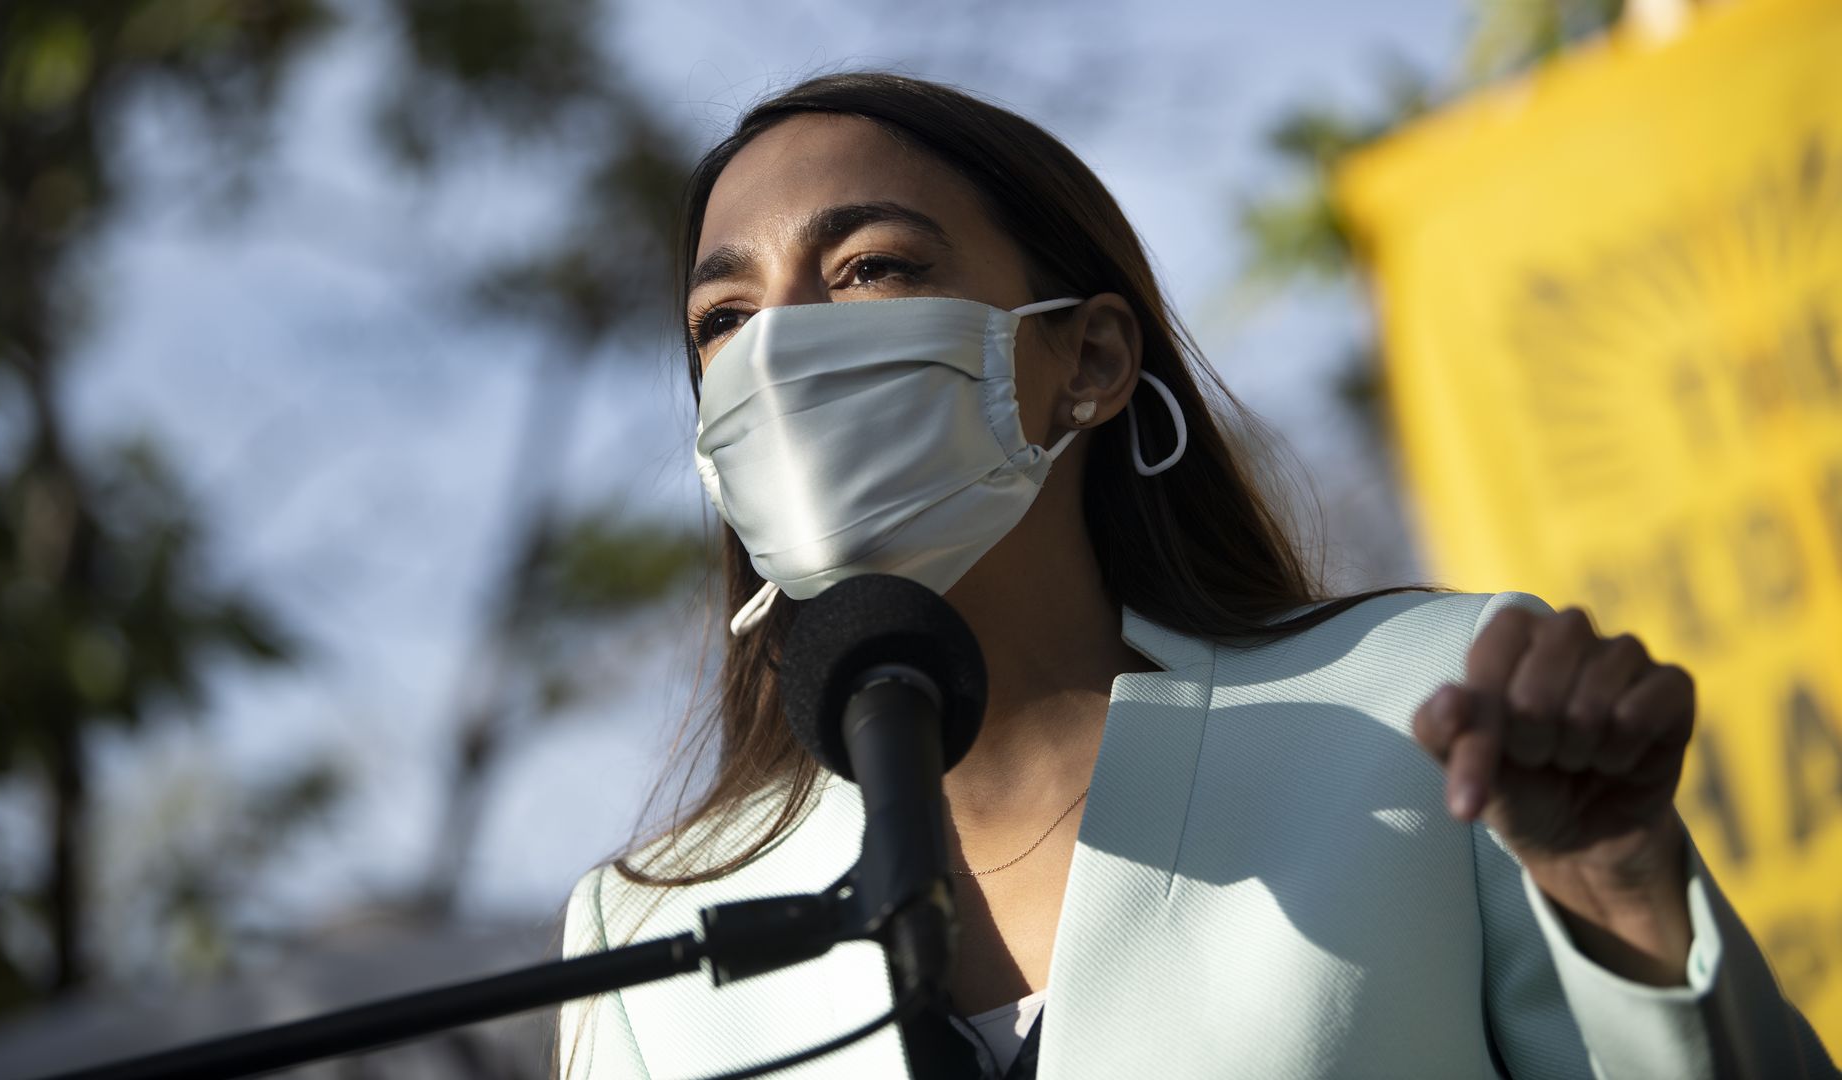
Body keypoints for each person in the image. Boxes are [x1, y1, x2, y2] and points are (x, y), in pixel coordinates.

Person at [556, 72, 1833, 1079]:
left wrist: (1623, 905)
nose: (781, 352)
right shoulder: (644, 937)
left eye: (872, 269)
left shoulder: (1437, 715)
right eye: (723, 322)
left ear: (1088, 361)